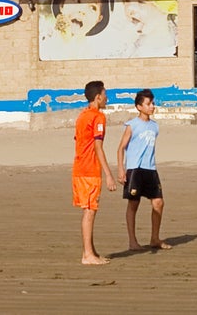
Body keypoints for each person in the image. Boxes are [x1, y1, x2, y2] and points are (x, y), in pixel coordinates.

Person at [116, 88, 170, 251]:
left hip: (150, 169)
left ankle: (155, 238)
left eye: (153, 103)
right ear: (139, 107)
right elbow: (121, 148)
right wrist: (121, 169)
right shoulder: (132, 125)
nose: (152, 106)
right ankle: (132, 241)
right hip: (135, 169)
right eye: (148, 104)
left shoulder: (155, 126)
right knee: (133, 204)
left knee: (158, 202)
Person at [73, 80, 117, 265]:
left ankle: (91, 251)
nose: (107, 98)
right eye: (105, 94)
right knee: (90, 211)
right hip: (89, 170)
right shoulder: (98, 117)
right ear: (97, 97)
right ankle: (87, 255)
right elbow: (98, 147)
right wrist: (108, 174)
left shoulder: (82, 116)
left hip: (79, 169)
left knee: (89, 209)